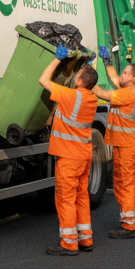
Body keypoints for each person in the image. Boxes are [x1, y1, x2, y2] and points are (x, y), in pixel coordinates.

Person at [38, 46, 99, 256]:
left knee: (65, 199)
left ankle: (69, 243)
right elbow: (90, 81)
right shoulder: (91, 99)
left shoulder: (71, 96)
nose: (74, 76)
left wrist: (57, 60)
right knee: (81, 197)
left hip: (69, 157)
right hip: (83, 156)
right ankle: (85, 238)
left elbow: (43, 80)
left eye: (78, 74)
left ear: (81, 81)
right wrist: (90, 66)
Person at [92, 47, 135, 239]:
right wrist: (106, 62)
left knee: (122, 185)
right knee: (131, 184)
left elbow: (102, 93)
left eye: (125, 73)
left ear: (131, 78)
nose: (121, 75)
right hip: (130, 145)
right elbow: (115, 79)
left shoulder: (127, 94)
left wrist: (86, 74)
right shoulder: (133, 91)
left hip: (125, 146)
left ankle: (128, 226)